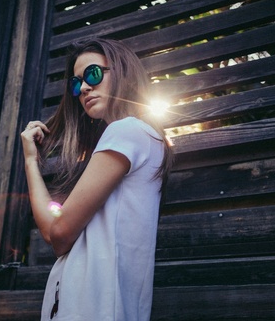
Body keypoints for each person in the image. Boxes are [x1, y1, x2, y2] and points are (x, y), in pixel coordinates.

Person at [20, 38, 173, 320]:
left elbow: (59, 235)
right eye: (76, 84)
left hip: (92, 306)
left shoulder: (126, 131)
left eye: (93, 74)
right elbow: (55, 232)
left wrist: (30, 160)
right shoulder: (146, 137)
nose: (85, 88)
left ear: (123, 71)